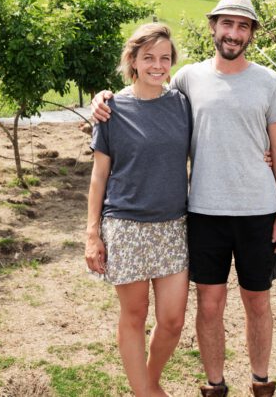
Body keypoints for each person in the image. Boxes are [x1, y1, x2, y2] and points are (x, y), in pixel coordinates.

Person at [94, 0, 276, 397]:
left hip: (258, 211)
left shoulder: (269, 82)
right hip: (203, 212)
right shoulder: (189, 77)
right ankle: (214, 385)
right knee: (209, 305)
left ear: (251, 33)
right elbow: (143, 91)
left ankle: (260, 382)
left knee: (258, 302)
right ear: (213, 27)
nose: (233, 33)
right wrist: (103, 99)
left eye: (242, 26)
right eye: (227, 24)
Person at [85, 23, 192, 397]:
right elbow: (99, 176)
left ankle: (147, 380)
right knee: (134, 316)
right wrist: (92, 234)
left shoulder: (181, 104)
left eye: (165, 58)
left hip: (173, 226)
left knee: (173, 320)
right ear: (133, 60)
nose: (158, 65)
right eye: (148, 58)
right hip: (126, 225)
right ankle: (145, 392)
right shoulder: (110, 109)